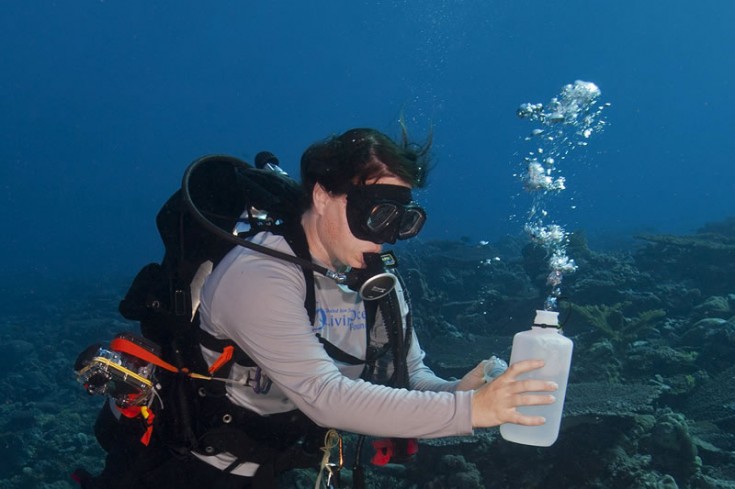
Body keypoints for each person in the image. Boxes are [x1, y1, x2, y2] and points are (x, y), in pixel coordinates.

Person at [189, 127, 557, 486]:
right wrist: (473, 410)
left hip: (284, 461)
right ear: (321, 197)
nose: (384, 238)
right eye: (375, 215)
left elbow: (408, 376)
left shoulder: (375, 282)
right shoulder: (259, 277)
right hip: (201, 465)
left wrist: (459, 391)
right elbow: (324, 396)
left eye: (400, 222)